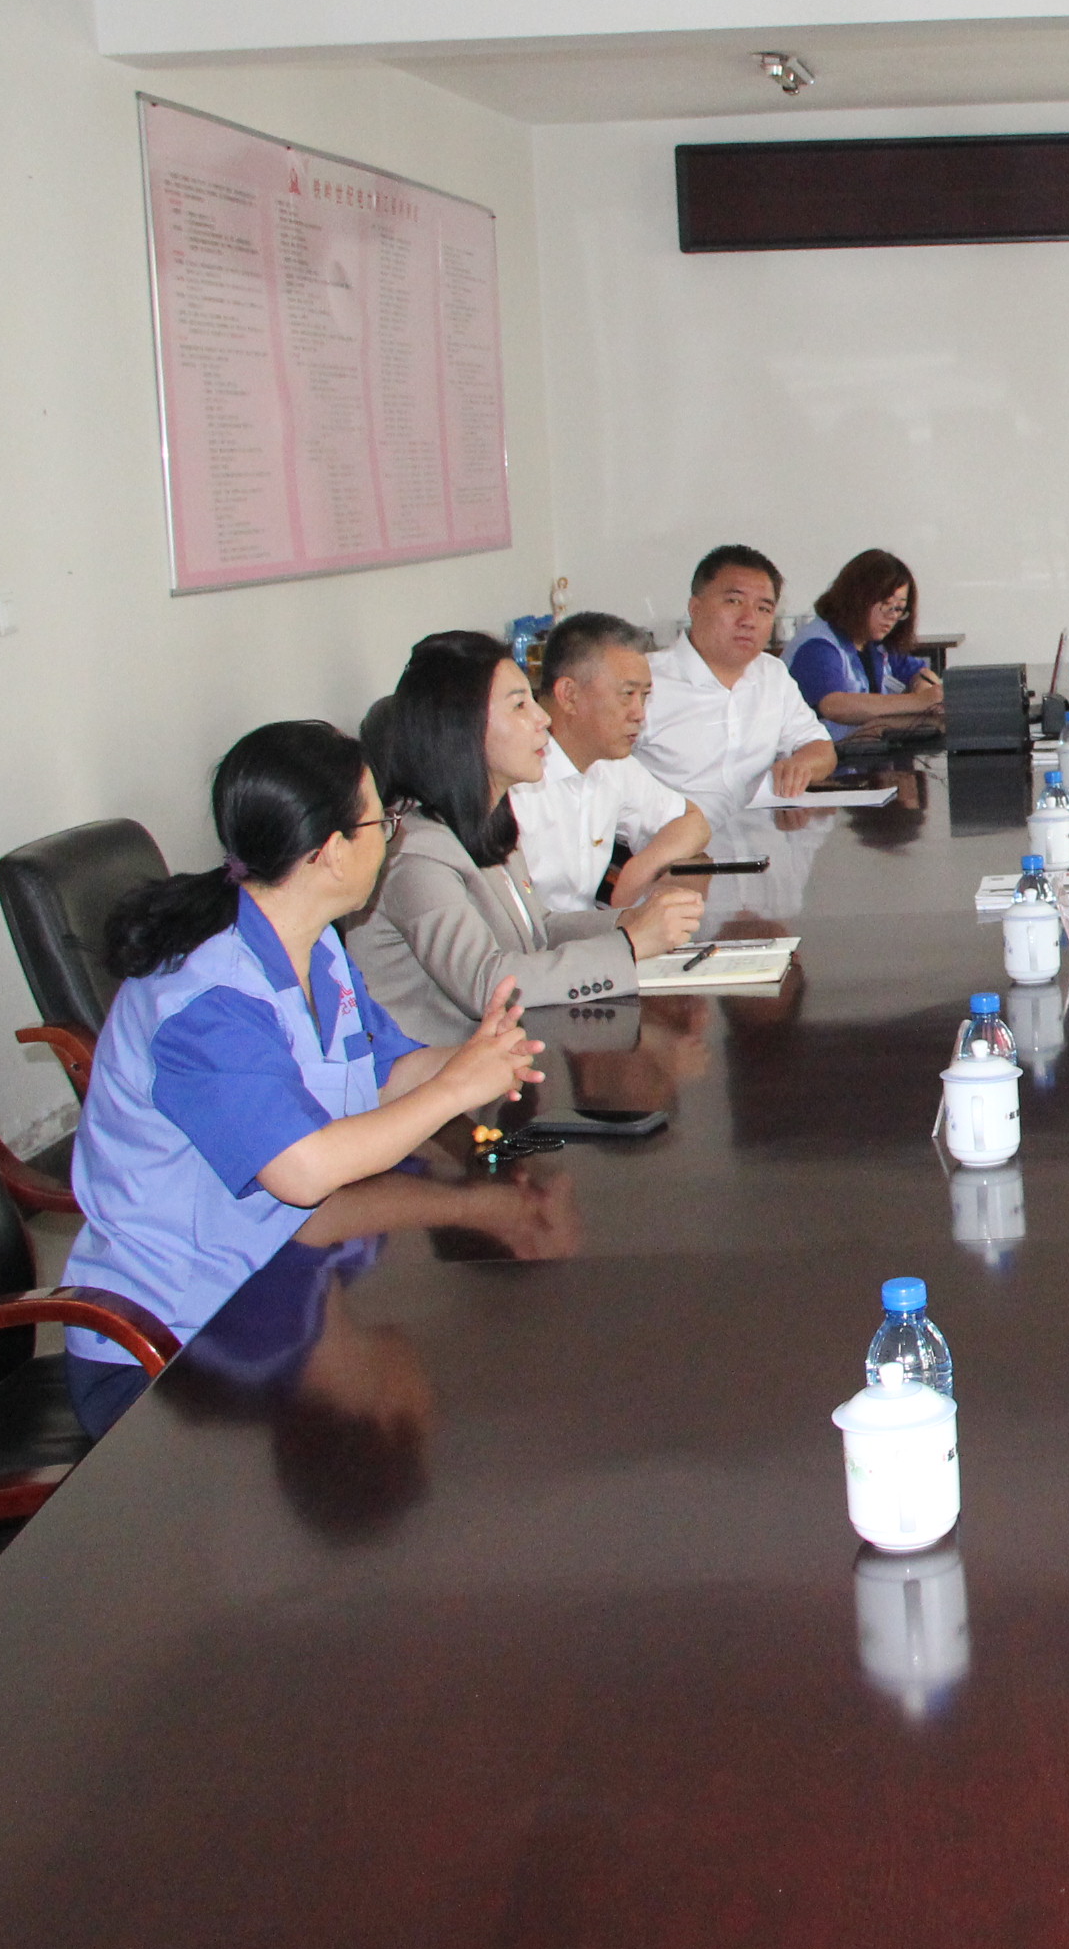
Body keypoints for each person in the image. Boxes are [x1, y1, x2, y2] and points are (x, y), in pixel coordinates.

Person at [56, 720, 554, 1436]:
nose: (392, 838)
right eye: (382, 822)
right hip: (169, 1351)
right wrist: (453, 1092)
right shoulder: (205, 998)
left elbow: (384, 1071)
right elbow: (302, 1171)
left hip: (275, 1288)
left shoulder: (314, 945)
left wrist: (476, 1058)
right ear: (330, 850)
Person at [350, 630, 706, 1044]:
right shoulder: (415, 851)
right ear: (462, 728)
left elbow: (539, 931)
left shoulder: (486, 821)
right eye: (520, 705)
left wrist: (629, 921)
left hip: (507, 1052)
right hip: (438, 1070)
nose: (543, 719)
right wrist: (628, 945)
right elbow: (487, 984)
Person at [514, 610, 712, 913]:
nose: (639, 714)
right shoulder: (515, 779)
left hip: (593, 932)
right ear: (569, 695)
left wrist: (641, 868)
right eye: (627, 694)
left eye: (644, 696)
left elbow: (693, 822)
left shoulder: (612, 764)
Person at [633, 545, 838, 806]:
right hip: (675, 832)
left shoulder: (772, 673)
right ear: (695, 608)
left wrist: (801, 766)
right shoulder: (644, 681)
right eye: (734, 601)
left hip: (762, 829)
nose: (749, 620)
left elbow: (820, 747)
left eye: (763, 609)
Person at [788, 547, 944, 733]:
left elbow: (919, 672)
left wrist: (924, 688)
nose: (892, 616)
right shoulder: (817, 647)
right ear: (857, 598)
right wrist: (917, 702)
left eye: (899, 608)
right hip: (827, 750)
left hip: (865, 747)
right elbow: (834, 705)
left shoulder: (873, 644)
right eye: (886, 604)